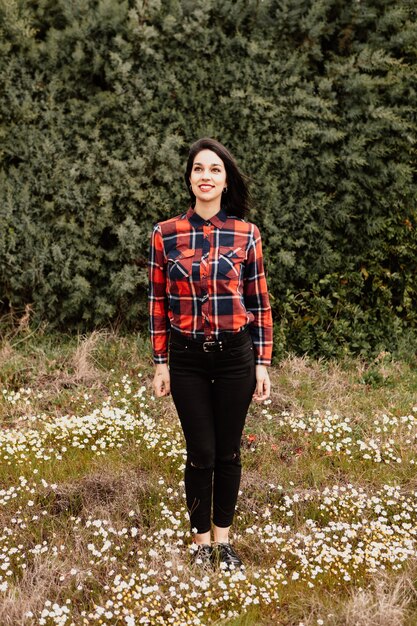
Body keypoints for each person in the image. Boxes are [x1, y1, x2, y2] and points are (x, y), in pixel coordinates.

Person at [148, 137, 273, 570]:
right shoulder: (165, 234)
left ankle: (224, 541)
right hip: (186, 359)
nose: (206, 176)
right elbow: (157, 303)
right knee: (200, 451)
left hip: (235, 355)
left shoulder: (246, 234)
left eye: (214, 170)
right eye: (199, 169)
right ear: (189, 178)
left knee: (228, 451)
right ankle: (201, 544)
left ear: (225, 180)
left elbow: (259, 301)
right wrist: (160, 362)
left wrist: (262, 362)